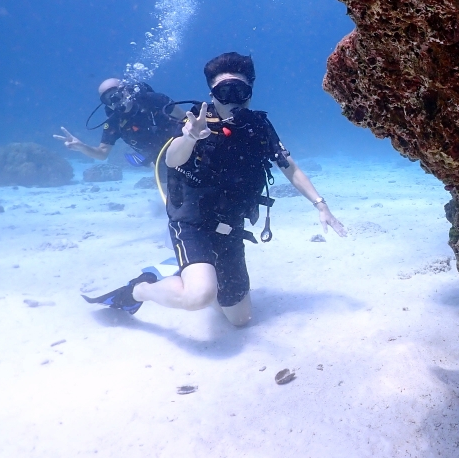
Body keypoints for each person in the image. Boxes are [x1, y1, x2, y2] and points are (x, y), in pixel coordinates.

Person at [84, 53, 346, 326]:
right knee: (199, 296)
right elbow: (172, 159)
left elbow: (289, 166)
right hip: (192, 222)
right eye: (224, 92)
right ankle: (139, 289)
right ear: (212, 94)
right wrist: (190, 136)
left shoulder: (259, 126)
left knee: (240, 319)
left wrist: (321, 204)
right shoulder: (196, 121)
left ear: (250, 93)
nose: (232, 100)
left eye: (239, 92)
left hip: (230, 226)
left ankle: (195, 270)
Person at [54, 78, 185, 168]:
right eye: (107, 99)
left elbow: (184, 117)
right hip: (158, 157)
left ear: (126, 90)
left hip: (183, 144)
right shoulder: (114, 122)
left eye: (116, 94)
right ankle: (151, 163)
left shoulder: (153, 100)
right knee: (167, 185)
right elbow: (102, 154)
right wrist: (82, 147)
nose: (114, 100)